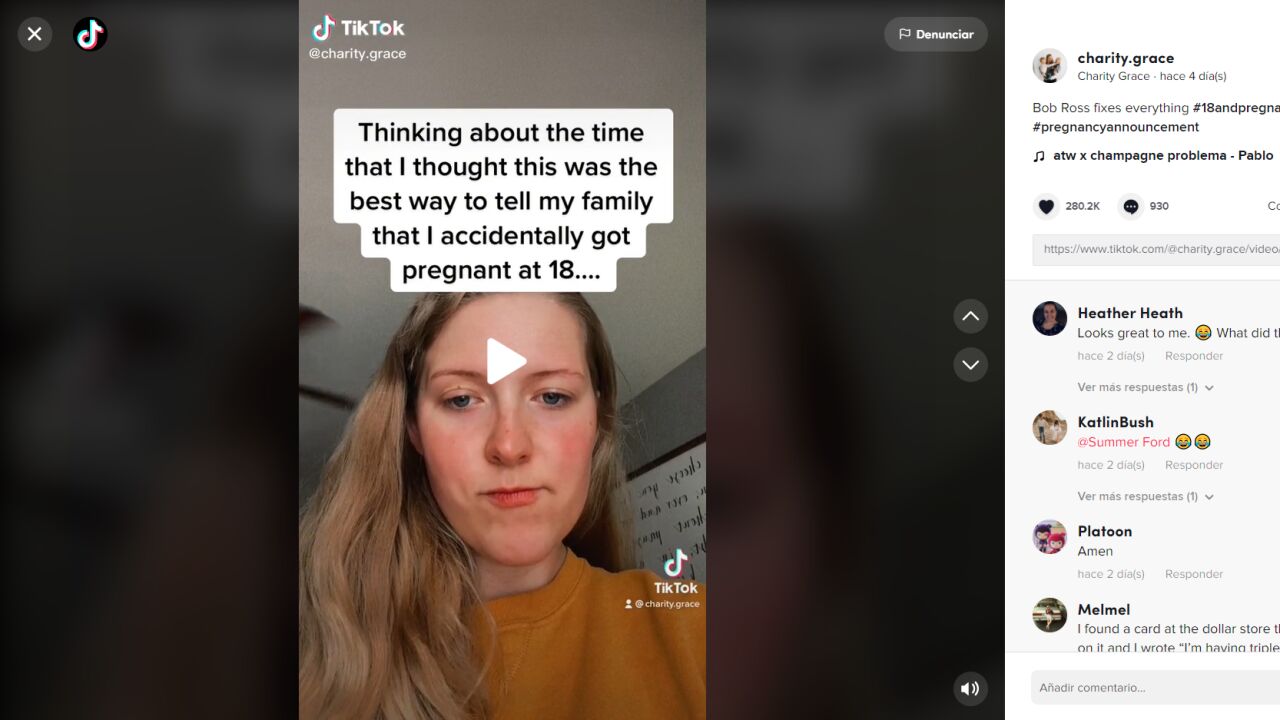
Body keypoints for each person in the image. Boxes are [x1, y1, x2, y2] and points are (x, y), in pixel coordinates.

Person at [299, 293, 705, 719]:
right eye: (461, 399)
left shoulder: (702, 631)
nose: (509, 446)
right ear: (414, 428)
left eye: (552, 396)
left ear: (598, 419)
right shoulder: (321, 659)